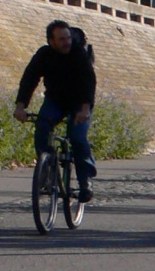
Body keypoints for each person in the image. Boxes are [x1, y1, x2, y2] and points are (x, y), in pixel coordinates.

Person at [15, 19, 98, 201]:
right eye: (61, 39)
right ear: (51, 41)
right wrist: (20, 106)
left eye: (68, 37)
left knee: (77, 137)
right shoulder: (44, 55)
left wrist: (85, 109)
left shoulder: (79, 54)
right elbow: (29, 79)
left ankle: (85, 181)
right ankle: (46, 171)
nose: (66, 42)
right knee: (42, 128)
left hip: (79, 103)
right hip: (56, 101)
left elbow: (88, 82)